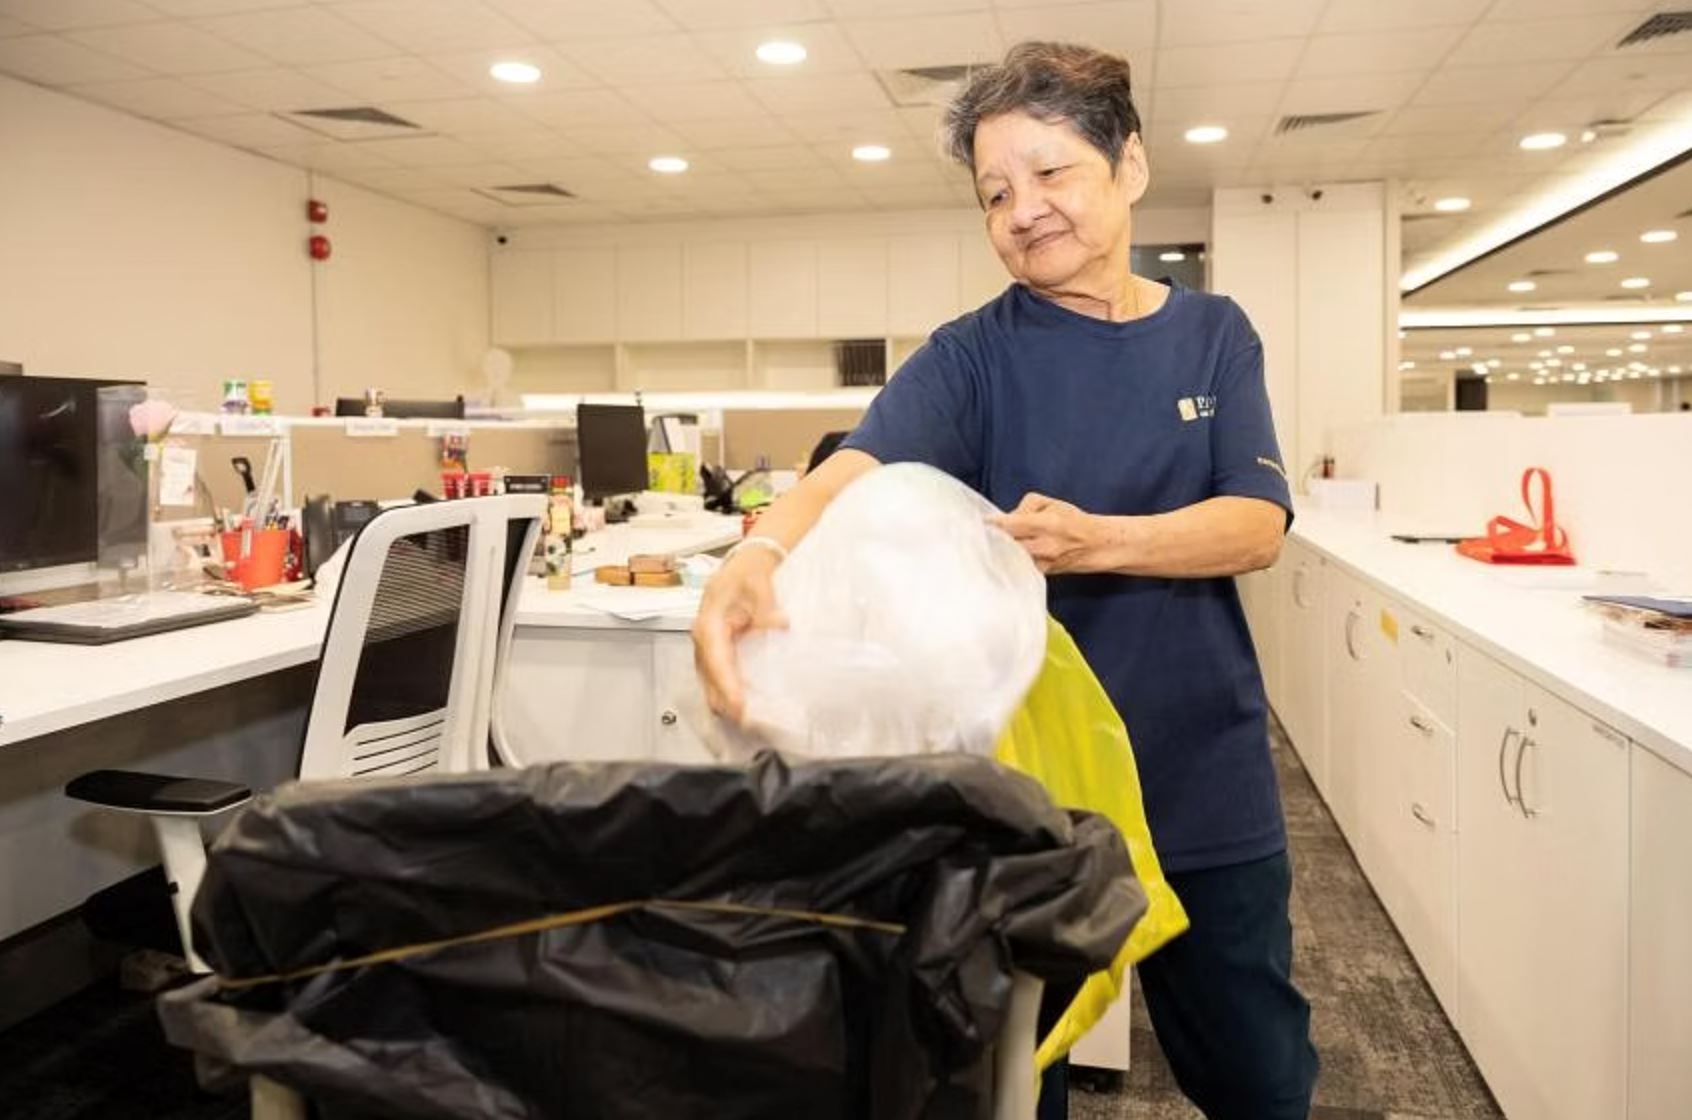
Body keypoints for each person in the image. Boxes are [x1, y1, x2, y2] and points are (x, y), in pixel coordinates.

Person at [693, 41, 1318, 1120]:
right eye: (994, 192)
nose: (1022, 210)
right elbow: (849, 470)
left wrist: (1099, 542)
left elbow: (1254, 524)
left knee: (1258, 1077)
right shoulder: (971, 355)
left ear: (1128, 164)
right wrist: (755, 555)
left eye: (1050, 173)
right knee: (1016, 1079)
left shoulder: (1216, 336)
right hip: (1029, 799)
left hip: (1202, 775)